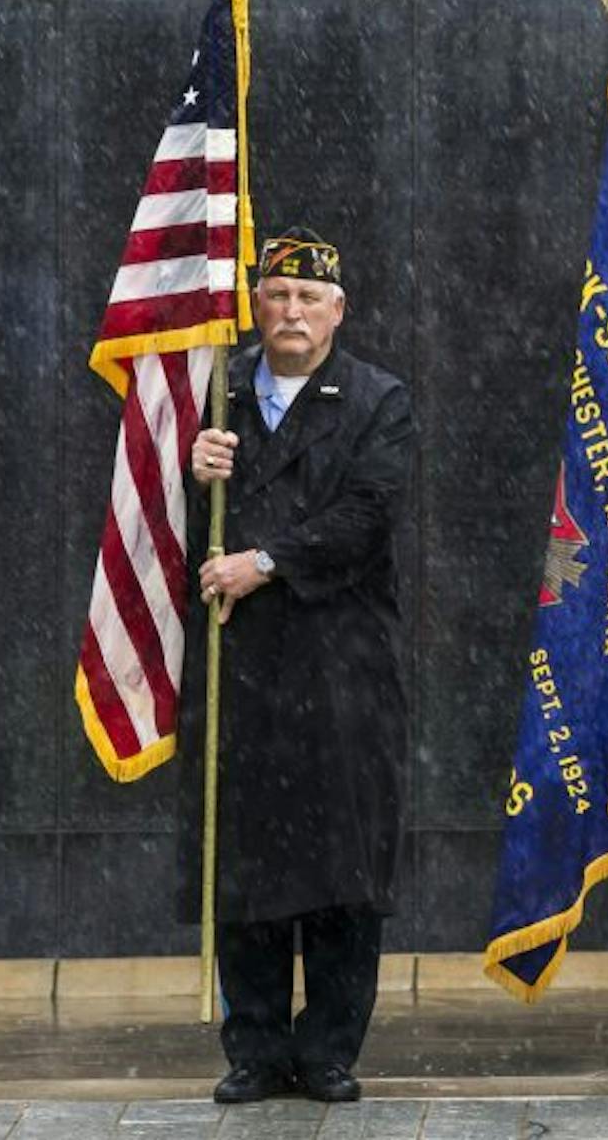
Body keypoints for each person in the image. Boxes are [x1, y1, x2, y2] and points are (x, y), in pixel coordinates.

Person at [181, 229, 416, 1105]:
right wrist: (189, 473)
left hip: (341, 669)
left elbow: (367, 517)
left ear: (337, 310)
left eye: (308, 299)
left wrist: (265, 561)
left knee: (343, 867)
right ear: (256, 303)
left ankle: (328, 1049)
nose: (291, 312)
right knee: (244, 863)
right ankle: (255, 1047)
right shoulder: (217, 393)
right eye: (277, 295)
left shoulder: (376, 400)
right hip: (244, 668)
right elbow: (181, 538)